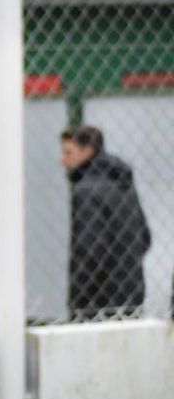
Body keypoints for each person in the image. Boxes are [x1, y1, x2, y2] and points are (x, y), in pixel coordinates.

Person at [60, 125, 151, 319]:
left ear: (88, 151)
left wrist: (76, 301)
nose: (62, 160)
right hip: (132, 293)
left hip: (97, 302)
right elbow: (144, 238)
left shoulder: (86, 191)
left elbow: (89, 251)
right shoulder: (122, 184)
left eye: (68, 152)